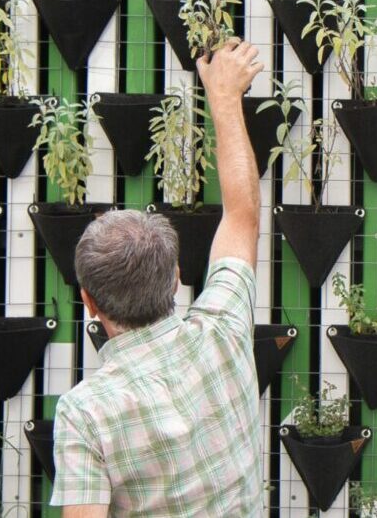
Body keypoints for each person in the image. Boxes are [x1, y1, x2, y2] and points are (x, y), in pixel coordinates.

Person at [51, 38, 267, 516]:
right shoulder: (223, 330)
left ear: (89, 301)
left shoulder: (86, 413)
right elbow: (243, 215)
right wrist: (224, 98)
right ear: (176, 278)